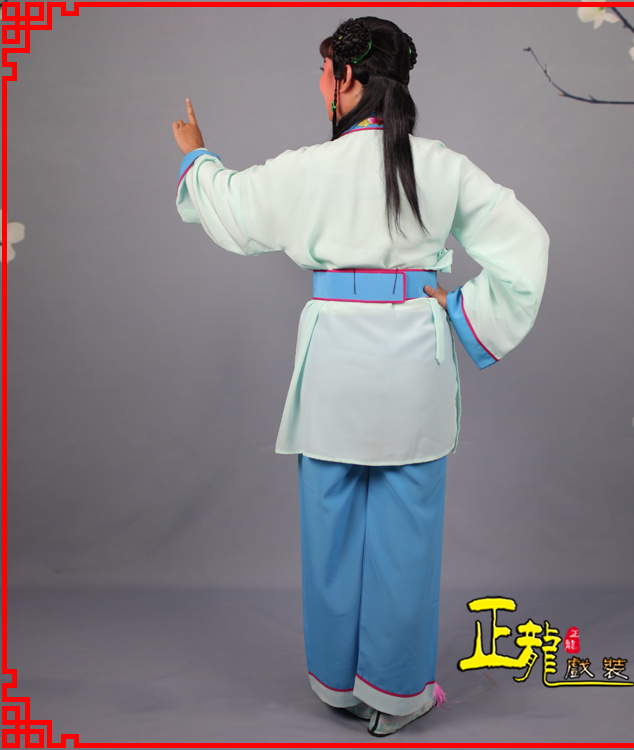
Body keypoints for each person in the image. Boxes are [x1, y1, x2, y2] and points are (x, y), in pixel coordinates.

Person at [172, 16, 549, 737]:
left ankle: (338, 683)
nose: (320, 83)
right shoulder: (441, 165)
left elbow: (233, 210)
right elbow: (527, 245)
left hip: (335, 365)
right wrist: (463, 311)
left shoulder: (308, 168)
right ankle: (396, 694)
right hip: (413, 363)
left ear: (346, 79)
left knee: (331, 528)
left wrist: (197, 154)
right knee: (405, 537)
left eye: (324, 70)